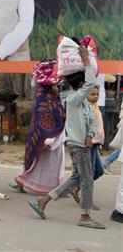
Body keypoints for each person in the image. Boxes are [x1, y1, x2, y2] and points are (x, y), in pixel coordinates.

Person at [28, 45, 105, 229]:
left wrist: (90, 134)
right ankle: (85, 216)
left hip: (83, 142)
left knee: (77, 178)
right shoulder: (72, 99)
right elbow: (89, 83)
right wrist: (86, 60)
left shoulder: (81, 100)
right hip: (78, 145)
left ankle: (45, 199)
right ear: (80, 85)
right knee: (86, 180)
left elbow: (92, 120)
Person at [10, 61, 66, 194]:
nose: (57, 85)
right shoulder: (45, 98)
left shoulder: (47, 96)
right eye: (55, 83)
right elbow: (47, 119)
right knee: (47, 162)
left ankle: (27, 182)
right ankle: (29, 182)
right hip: (50, 138)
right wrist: (49, 138)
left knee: (44, 162)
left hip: (50, 137)